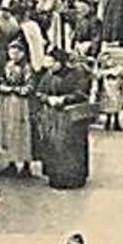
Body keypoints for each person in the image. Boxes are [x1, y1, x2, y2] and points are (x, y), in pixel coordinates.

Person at [36, 49, 94, 190]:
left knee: (71, 146)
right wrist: (47, 98)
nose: (48, 65)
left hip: (71, 117)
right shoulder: (47, 75)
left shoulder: (76, 75)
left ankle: (74, 177)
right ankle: (55, 176)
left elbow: (82, 94)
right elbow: (39, 92)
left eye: (51, 62)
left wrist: (64, 99)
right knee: (53, 145)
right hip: (52, 117)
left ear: (60, 62)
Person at [0, 39, 35, 178]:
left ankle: (26, 165)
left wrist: (16, 89)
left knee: (21, 132)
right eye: (11, 51)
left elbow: (30, 86)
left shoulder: (27, 68)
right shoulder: (7, 65)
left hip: (20, 104)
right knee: (6, 130)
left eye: (17, 52)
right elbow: (0, 81)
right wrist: (2, 87)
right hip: (5, 102)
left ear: (22, 53)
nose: (14, 55)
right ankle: (11, 163)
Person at [95, 57, 123, 132]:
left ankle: (116, 123)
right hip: (106, 91)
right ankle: (108, 122)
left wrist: (120, 83)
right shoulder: (102, 71)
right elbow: (97, 78)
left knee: (117, 107)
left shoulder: (119, 70)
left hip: (116, 91)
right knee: (108, 107)